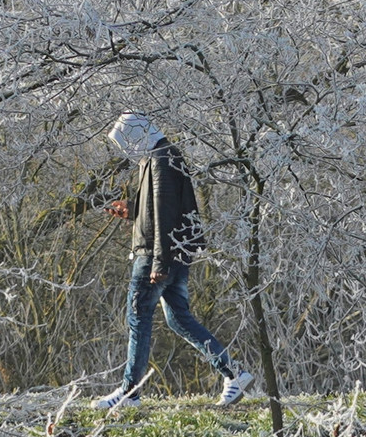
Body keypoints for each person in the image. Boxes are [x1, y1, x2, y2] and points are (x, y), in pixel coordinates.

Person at [94, 113, 254, 408]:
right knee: (177, 317)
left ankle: (130, 393)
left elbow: (165, 216)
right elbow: (160, 209)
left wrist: (159, 263)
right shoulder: (162, 156)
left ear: (135, 136)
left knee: (138, 315)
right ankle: (234, 373)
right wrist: (132, 210)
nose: (126, 151)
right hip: (173, 251)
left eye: (125, 143)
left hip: (157, 253)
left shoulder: (160, 160)